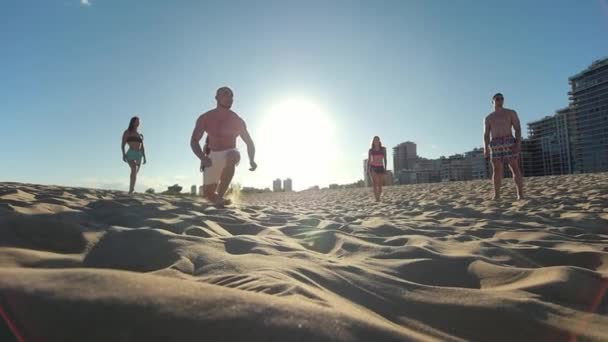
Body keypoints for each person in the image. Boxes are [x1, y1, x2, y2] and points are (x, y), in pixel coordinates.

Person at [190, 87, 257, 206]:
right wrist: (202, 157)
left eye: (231, 96)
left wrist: (252, 160)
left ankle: (220, 196)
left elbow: (249, 142)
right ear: (217, 98)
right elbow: (194, 141)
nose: (229, 98)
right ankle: (215, 197)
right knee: (208, 195)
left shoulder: (237, 120)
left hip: (230, 152)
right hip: (212, 156)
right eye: (225, 95)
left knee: (232, 155)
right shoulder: (206, 118)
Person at [483, 93, 524, 200]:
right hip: (495, 143)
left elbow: (518, 128)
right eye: (497, 99)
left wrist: (518, 143)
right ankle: (496, 194)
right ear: (492, 102)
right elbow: (486, 134)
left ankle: (520, 194)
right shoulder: (488, 118)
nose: (500, 100)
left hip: (509, 141)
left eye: (502, 98)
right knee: (496, 170)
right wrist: (486, 148)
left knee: (514, 167)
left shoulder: (511, 113)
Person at [121, 116, 147, 194]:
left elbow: (142, 147)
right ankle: (131, 190)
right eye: (137, 121)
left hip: (139, 155)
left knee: (135, 172)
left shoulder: (139, 134)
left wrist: (145, 157)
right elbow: (122, 144)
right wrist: (123, 154)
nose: (138, 123)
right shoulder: (127, 132)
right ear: (132, 122)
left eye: (139, 121)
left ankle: (132, 188)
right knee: (133, 168)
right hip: (131, 153)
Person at [368, 136, 387, 202]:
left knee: (380, 185)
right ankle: (377, 198)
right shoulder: (371, 150)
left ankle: (378, 197)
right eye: (375, 140)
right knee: (374, 184)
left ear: (379, 141)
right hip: (373, 167)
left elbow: (385, 159)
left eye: (377, 140)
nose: (376, 141)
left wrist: (385, 168)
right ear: (373, 141)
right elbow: (369, 160)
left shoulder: (383, 149)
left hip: (381, 167)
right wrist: (368, 169)